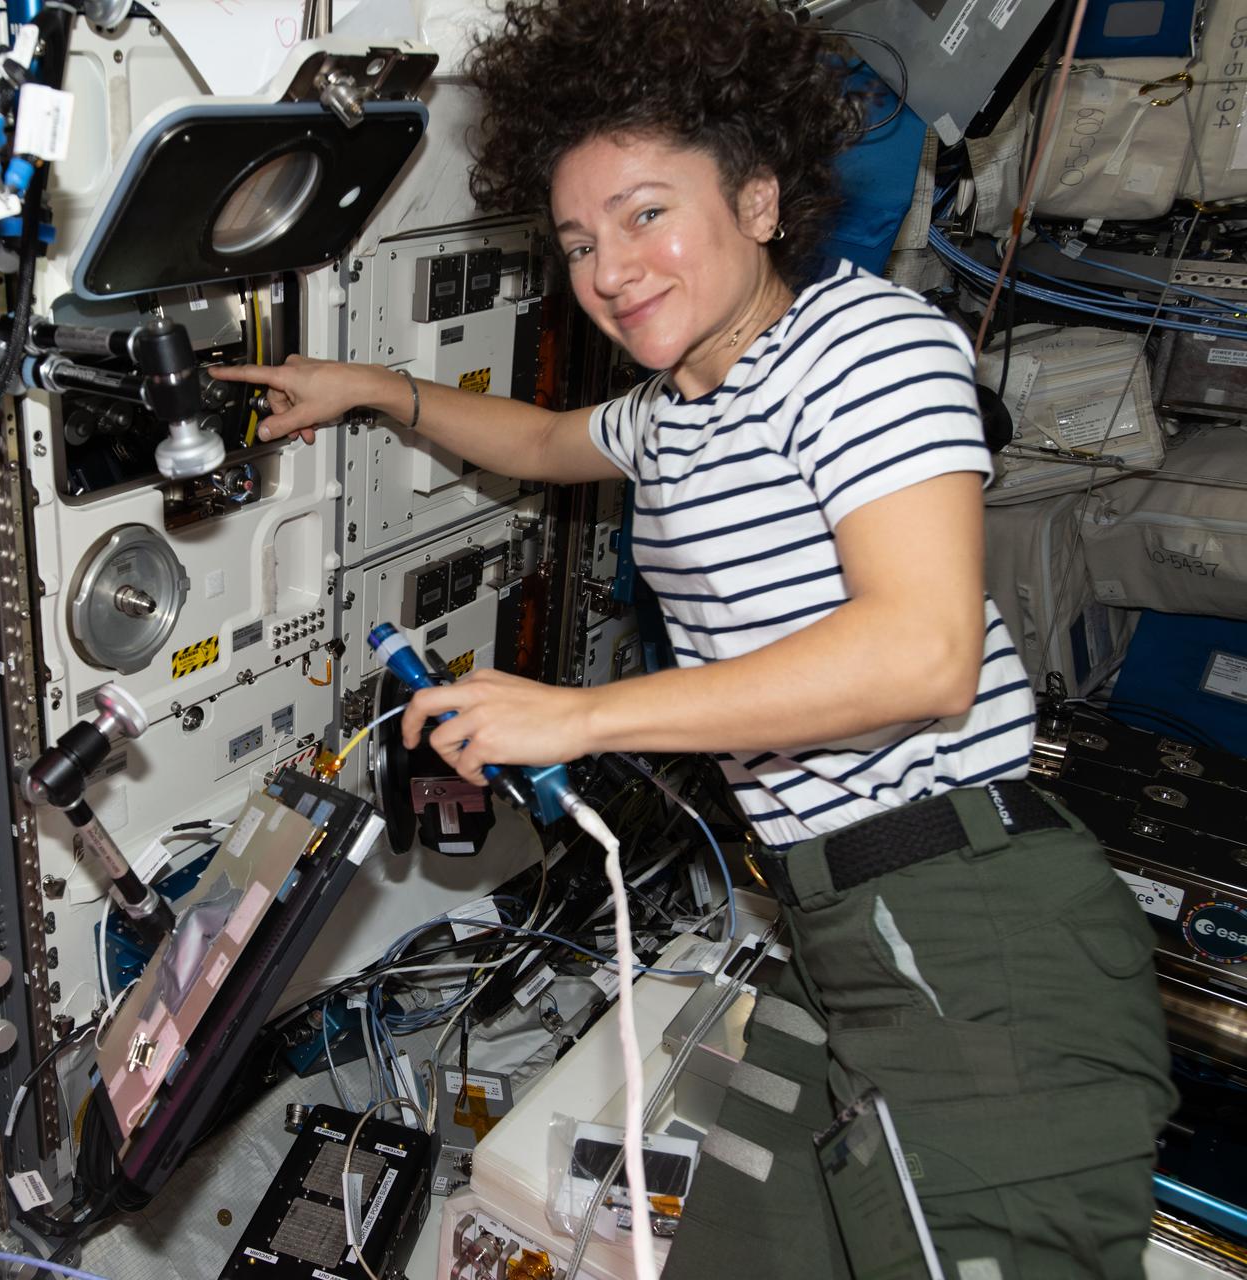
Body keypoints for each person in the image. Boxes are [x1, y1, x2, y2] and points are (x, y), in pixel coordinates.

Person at [213, 0, 1174, 1275]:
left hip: (967, 928)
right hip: (831, 931)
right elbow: (550, 441)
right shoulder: (681, 409)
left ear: (762, 203)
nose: (611, 268)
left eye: (649, 212)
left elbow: (921, 653)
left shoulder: (863, 349)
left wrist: (584, 714)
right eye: (579, 240)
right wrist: (369, 389)